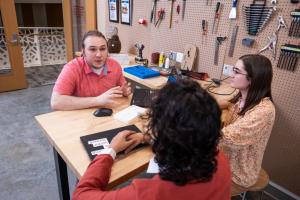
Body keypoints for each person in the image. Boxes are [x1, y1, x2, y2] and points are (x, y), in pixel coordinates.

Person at [72, 79, 231, 200]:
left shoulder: (150, 193)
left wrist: (109, 151)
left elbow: (81, 195)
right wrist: (146, 137)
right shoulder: (220, 160)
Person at [220, 54, 276, 188]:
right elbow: (227, 104)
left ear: (252, 79)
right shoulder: (242, 99)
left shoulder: (264, 111)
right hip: (224, 160)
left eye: (237, 72)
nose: (231, 75)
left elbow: (227, 138)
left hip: (238, 173)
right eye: (233, 70)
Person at [51, 30, 131, 110]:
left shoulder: (115, 65)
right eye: (92, 49)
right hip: (79, 117)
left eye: (103, 49)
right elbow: (56, 102)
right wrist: (97, 100)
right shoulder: (72, 68)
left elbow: (123, 88)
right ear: (83, 51)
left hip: (108, 116)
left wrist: (125, 92)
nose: (99, 55)